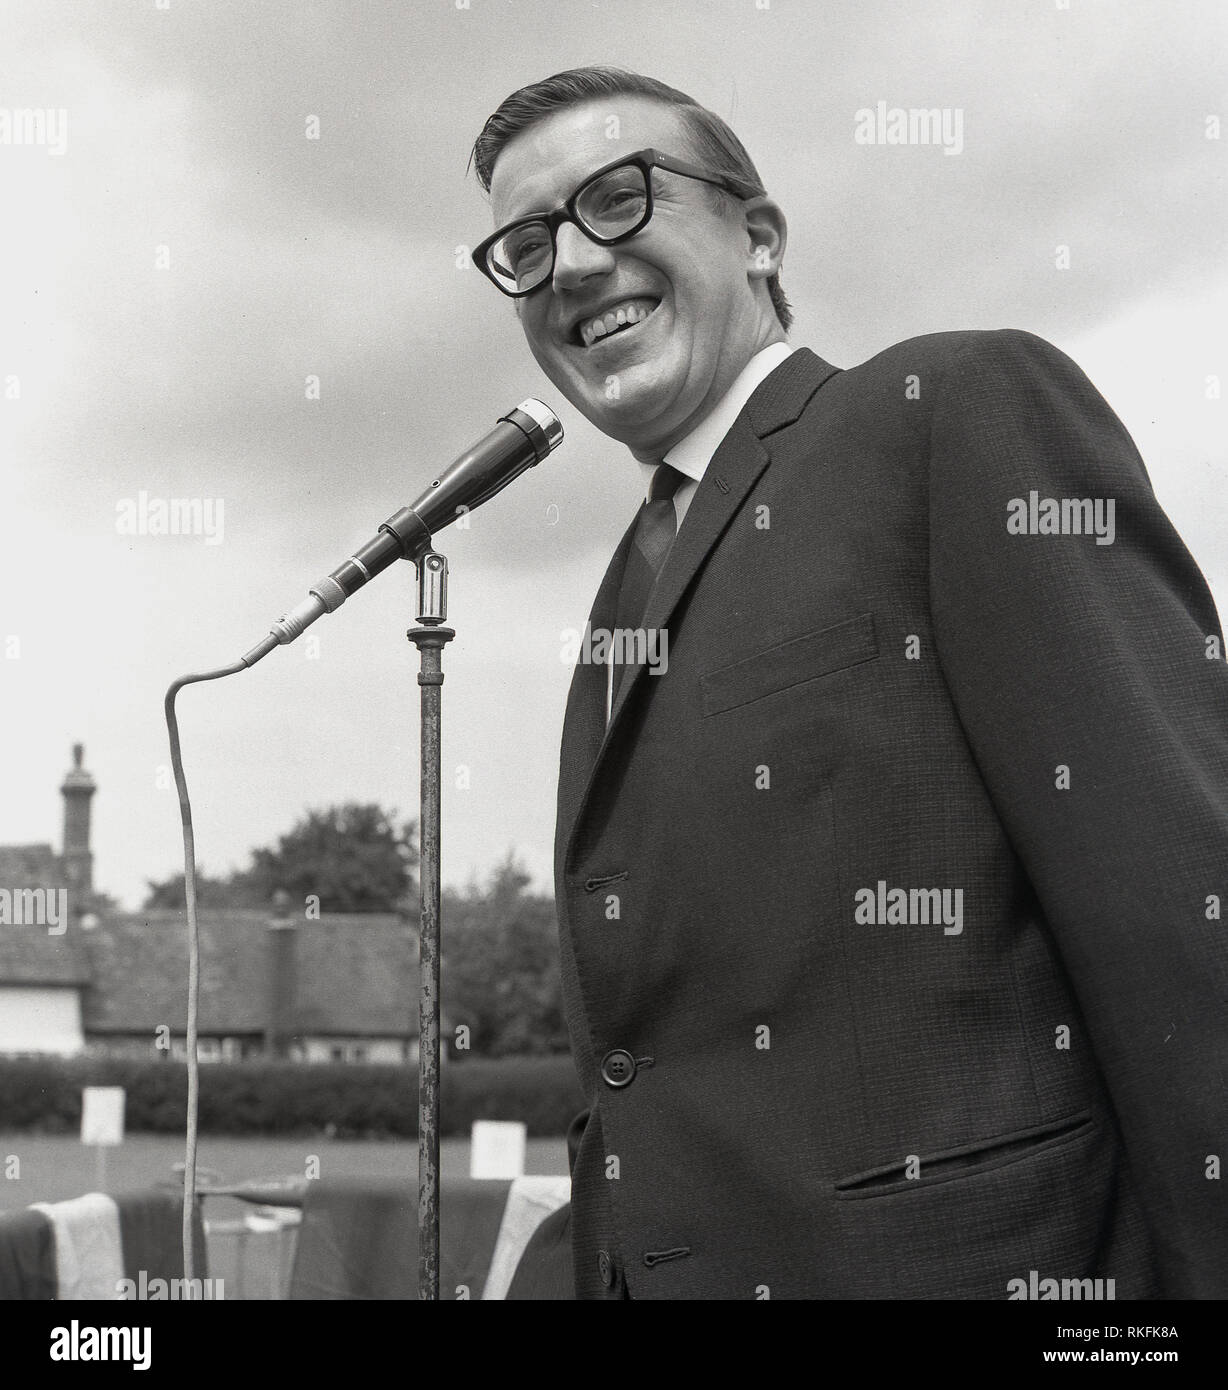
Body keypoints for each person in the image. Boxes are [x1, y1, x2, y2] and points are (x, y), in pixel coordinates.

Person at [469, 66, 1228, 1300]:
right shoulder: (625, 588)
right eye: (525, 243)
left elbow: (1181, 916)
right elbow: (653, 1075)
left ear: (759, 236)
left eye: (615, 199)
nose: (568, 262)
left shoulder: (952, 411)